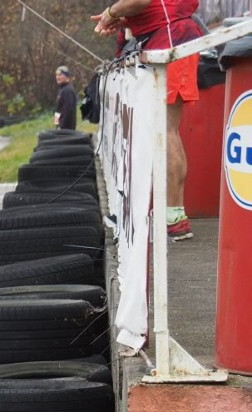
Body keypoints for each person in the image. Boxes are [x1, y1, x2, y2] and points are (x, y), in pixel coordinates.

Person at [92, 0, 204, 241]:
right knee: (159, 129)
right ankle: (166, 212)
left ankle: (174, 216)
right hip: (165, 38)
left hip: (172, 40)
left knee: (166, 129)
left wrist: (111, 13)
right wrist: (122, 18)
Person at [54, 65, 77, 130]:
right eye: (57, 75)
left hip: (66, 129)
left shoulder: (68, 90)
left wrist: (62, 126)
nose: (58, 77)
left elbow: (68, 110)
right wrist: (56, 124)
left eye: (60, 75)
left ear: (67, 76)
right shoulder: (62, 90)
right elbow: (58, 109)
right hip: (60, 128)